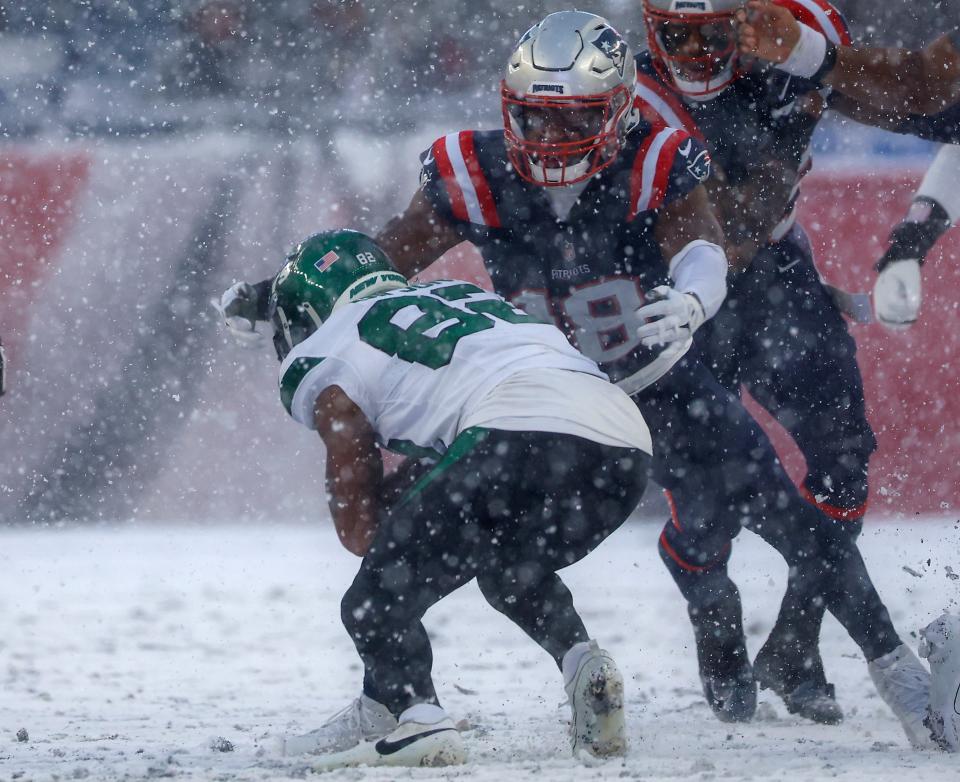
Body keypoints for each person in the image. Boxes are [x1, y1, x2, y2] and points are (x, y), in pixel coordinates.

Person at [221, 11, 938, 745]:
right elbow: (377, 265)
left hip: (658, 382)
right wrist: (272, 291)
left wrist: (694, 298)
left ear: (619, 112)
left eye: (575, 121)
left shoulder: (652, 159)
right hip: (539, 407)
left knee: (792, 521)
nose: (550, 140)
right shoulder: (481, 173)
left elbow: (702, 249)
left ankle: (902, 678)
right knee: (474, 547)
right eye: (534, 118)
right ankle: (409, 695)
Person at [266, 228, 653, 768]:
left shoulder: (332, 344)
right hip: (621, 444)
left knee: (373, 602)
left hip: (515, 434)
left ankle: (418, 719)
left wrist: (380, 546)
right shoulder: (462, 297)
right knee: (510, 565)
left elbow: (356, 504)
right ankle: (583, 663)